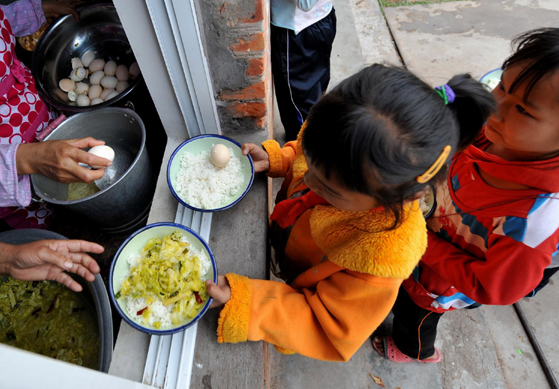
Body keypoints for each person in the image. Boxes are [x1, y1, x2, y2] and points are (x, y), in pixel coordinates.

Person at [205, 64, 495, 361]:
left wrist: (250, 303)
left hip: (298, 288)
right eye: (314, 167)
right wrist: (278, 157)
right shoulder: (340, 146)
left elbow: (324, 324)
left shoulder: (380, 256)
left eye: (330, 189)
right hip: (289, 235)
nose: (310, 182)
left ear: (396, 197)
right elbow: (307, 154)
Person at [373, 28, 559, 363]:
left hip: (437, 283)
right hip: (421, 241)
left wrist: (419, 242)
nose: (498, 106)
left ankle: (415, 352)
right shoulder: (489, 133)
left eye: (524, 110)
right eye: (503, 85)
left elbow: (494, 288)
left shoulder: (532, 224)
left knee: (414, 318)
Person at [0, 0, 111, 229]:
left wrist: (39, 10)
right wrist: (27, 160)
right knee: (66, 218)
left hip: (40, 117)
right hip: (7, 166)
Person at [271, 0, 336, 142]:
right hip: (322, 18)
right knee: (315, 92)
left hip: (298, 32)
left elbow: (305, 3)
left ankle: (304, 155)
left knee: (299, 108)